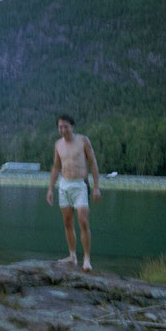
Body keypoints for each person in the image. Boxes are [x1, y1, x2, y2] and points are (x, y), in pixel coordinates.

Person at [46, 114, 100, 272]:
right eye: (60, 127)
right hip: (64, 185)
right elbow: (56, 167)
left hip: (80, 185)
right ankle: (72, 256)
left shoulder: (83, 140)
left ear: (72, 126)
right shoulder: (58, 144)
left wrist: (96, 187)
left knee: (83, 220)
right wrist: (50, 188)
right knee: (67, 222)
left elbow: (93, 162)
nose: (63, 130)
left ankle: (87, 259)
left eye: (65, 126)